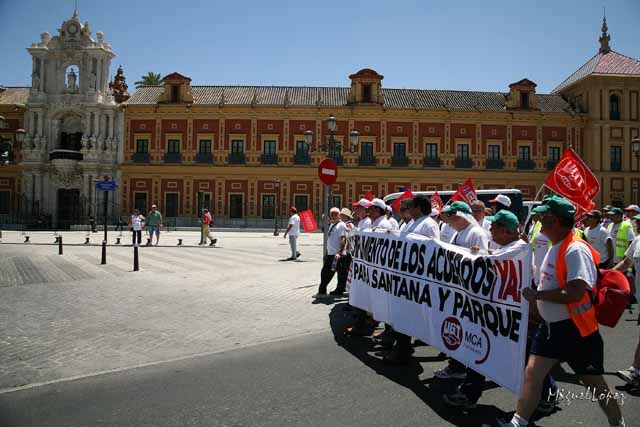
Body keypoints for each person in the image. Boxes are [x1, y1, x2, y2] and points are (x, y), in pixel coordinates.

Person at [502, 195, 625, 427]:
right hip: (551, 329)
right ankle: (518, 422)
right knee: (532, 373)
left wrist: (537, 296)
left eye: (543, 216)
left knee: (595, 384)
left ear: (556, 221)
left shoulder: (575, 249)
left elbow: (576, 292)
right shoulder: (555, 244)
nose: (538, 219)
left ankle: (617, 422)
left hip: (575, 330)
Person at [444, 210, 556, 410]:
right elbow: (497, 259)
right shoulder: (508, 247)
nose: (490, 231)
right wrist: (484, 254)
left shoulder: (520, 248)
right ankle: (470, 392)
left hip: (516, 316)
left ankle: (547, 394)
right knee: (482, 349)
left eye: (494, 228)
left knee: (526, 357)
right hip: (497, 313)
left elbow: (499, 262)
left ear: (505, 231)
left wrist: (480, 257)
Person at [434, 201, 489, 380]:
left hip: (469, 291)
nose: (449, 219)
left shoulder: (476, 233)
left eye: (453, 216)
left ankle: (461, 366)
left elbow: (482, 260)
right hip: (457, 289)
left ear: (463, 216)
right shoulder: (459, 233)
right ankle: (456, 364)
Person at [383, 195, 439, 365]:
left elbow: (433, 250)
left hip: (416, 279)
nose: (408, 210)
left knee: (408, 315)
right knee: (402, 314)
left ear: (419, 208)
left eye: (411, 207)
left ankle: (403, 350)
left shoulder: (429, 224)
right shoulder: (412, 223)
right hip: (405, 277)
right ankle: (402, 348)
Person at [615, 213, 640, 387]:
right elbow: (626, 262)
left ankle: (635, 370)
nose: (636, 223)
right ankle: (636, 370)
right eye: (637, 220)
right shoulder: (638, 240)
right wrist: (607, 275)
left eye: (639, 221)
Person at [314, 207, 347, 299]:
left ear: (339, 215)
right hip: (331, 254)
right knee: (330, 273)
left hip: (337, 255)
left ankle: (328, 291)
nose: (333, 216)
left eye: (335, 214)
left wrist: (340, 252)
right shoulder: (333, 225)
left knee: (329, 273)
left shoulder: (341, 225)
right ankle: (326, 291)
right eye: (331, 214)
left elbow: (343, 238)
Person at [528, 212, 551, 284]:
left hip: (547, 275)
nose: (532, 216)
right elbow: (532, 246)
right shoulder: (537, 225)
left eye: (535, 214)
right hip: (536, 272)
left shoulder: (553, 231)